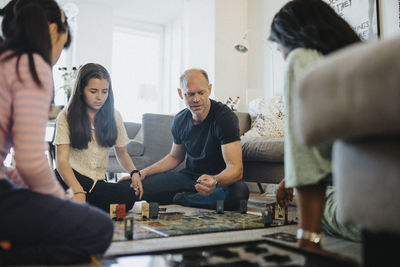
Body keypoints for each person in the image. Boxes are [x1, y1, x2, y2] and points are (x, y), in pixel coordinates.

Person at [0, 0, 113, 265]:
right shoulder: (31, 65)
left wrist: (21, 184)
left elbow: (11, 167)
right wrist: (59, 199)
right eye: (63, 46)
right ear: (53, 29)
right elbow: (30, 161)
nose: (58, 55)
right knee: (100, 228)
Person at [268, 0, 362, 251]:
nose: (284, 57)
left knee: (328, 204)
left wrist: (308, 238)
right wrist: (291, 177)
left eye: (280, 51)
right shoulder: (358, 60)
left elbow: (307, 142)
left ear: (291, 38)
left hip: (375, 208)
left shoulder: (301, 57)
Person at [120, 68, 249, 211]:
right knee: (133, 186)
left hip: (219, 181)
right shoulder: (180, 119)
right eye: (190, 94)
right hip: (189, 178)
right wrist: (142, 173)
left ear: (209, 89)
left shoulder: (224, 118)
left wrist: (215, 181)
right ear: (181, 93)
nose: (196, 99)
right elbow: (175, 157)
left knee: (239, 195)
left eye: (201, 93)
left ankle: (183, 198)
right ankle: (190, 197)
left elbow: (236, 168)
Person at [54, 63, 143, 212]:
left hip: (96, 183)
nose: (99, 97)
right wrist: (77, 190)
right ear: (81, 90)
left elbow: (122, 153)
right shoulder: (66, 116)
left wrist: (134, 173)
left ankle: (73, 203)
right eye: (93, 91)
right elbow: (62, 161)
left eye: (104, 91)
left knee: (128, 195)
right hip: (70, 177)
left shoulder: (114, 115)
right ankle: (74, 200)